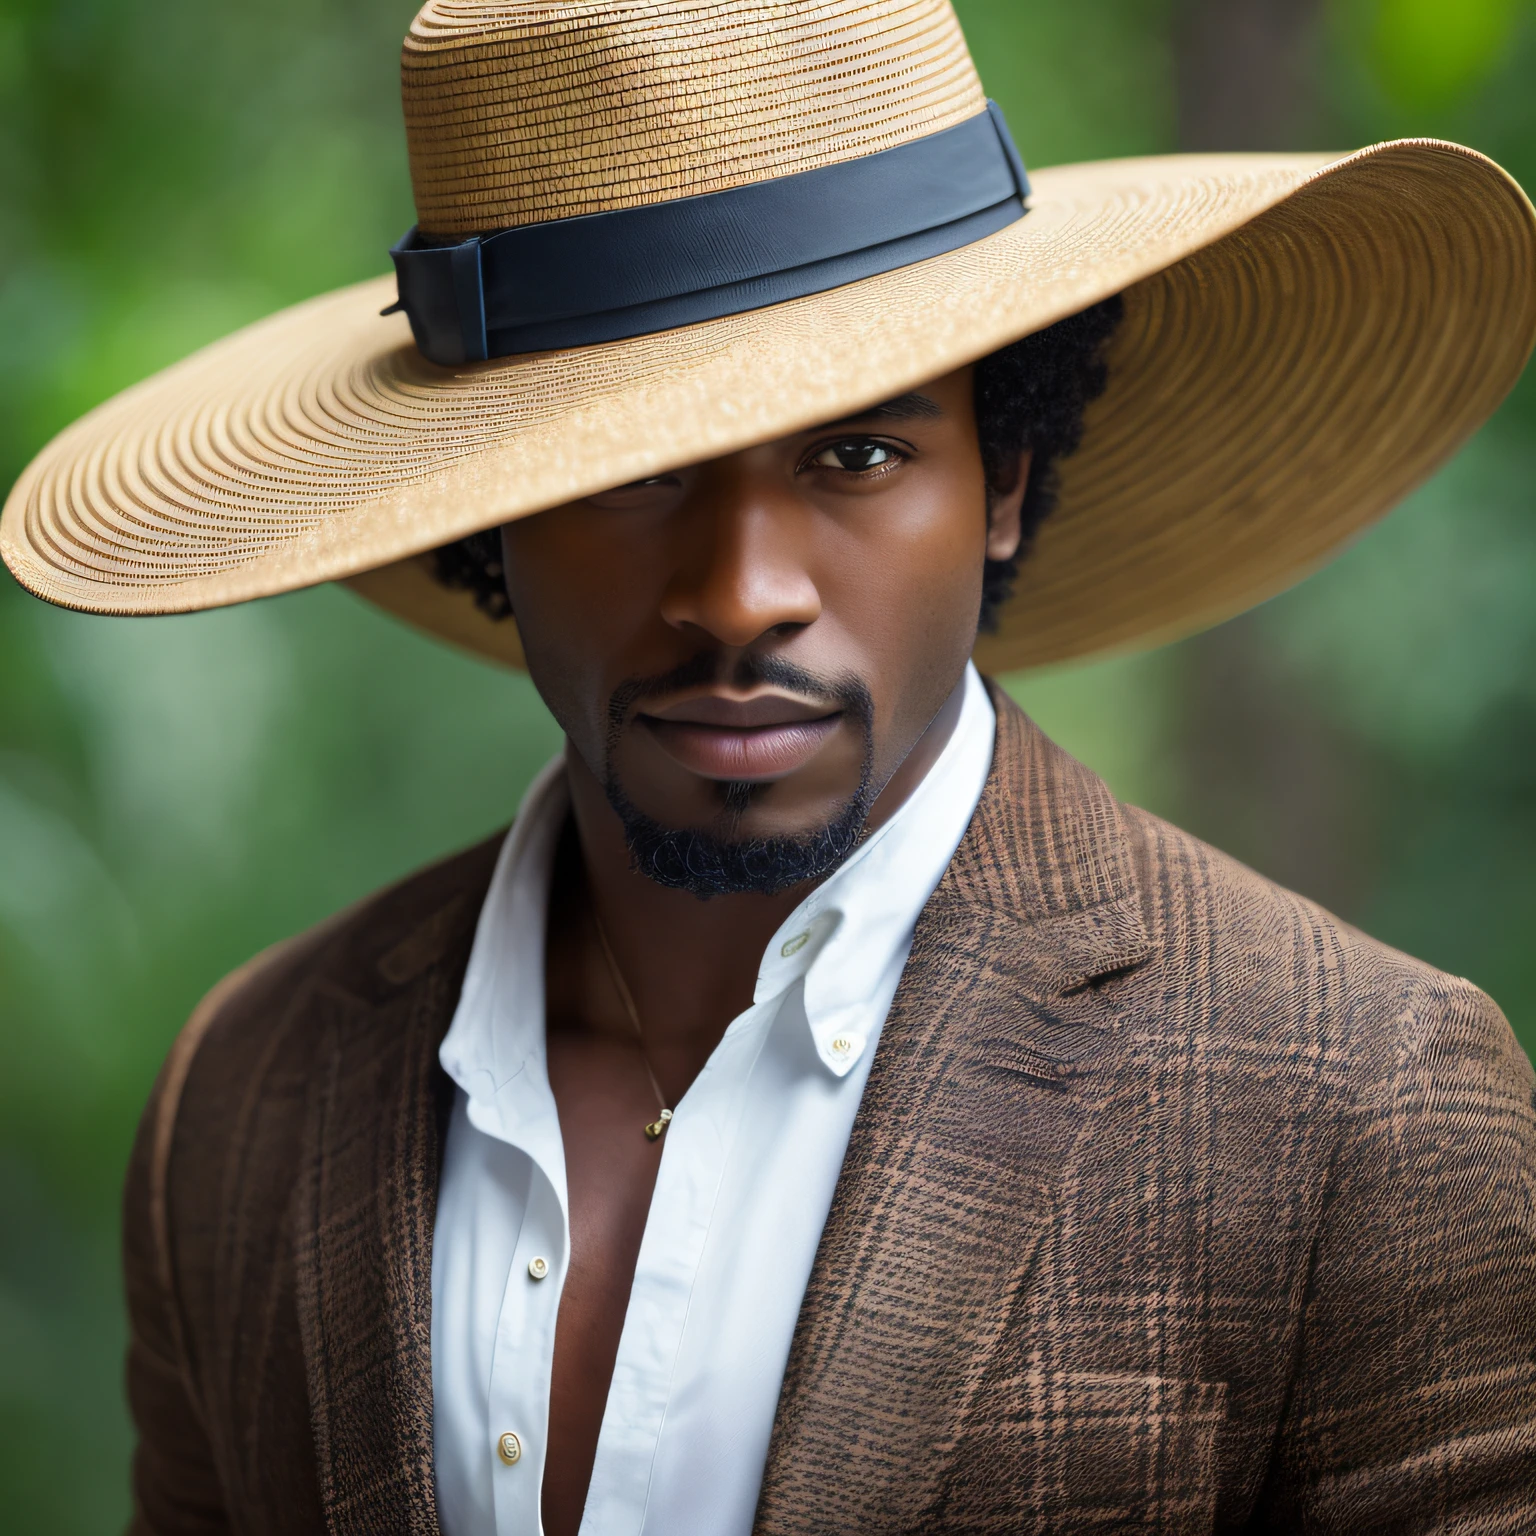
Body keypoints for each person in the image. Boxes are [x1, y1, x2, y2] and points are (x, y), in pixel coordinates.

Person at [4, 2, 1535, 1532]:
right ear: (486, 516)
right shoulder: (252, 1093)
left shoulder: (1361, 1109)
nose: (740, 594)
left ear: (1000, 480)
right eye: (628, 471)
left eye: (855, 454)